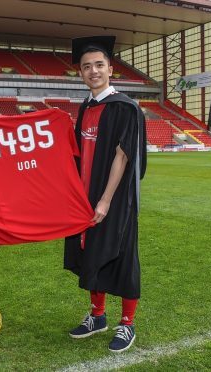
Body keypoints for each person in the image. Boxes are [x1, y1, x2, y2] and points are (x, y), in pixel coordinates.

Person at [64, 36, 147, 352]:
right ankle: (97, 316)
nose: (93, 71)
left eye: (99, 65)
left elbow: (122, 155)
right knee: (90, 255)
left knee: (123, 257)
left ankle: (128, 324)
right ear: (81, 74)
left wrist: (105, 200)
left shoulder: (125, 108)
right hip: (85, 197)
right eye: (86, 67)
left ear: (111, 69)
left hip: (115, 199)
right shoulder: (85, 108)